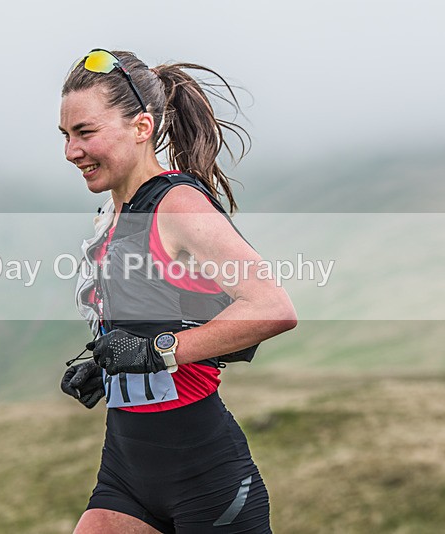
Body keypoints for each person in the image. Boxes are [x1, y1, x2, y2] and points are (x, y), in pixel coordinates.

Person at [58, 49, 297, 534]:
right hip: (125, 472)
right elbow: (164, 315)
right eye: (65, 135)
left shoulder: (177, 204)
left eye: (85, 132)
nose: (71, 152)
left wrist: (156, 352)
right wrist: (109, 367)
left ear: (141, 127)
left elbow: (273, 307)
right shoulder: (114, 215)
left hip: (206, 481)